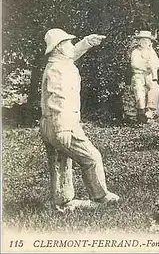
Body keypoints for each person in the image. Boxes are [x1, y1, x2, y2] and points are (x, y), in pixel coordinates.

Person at [40, 28, 120, 212]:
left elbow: (71, 54)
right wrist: (64, 128)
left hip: (49, 123)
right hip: (62, 122)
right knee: (91, 157)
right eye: (67, 42)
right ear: (59, 47)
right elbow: (58, 98)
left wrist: (86, 43)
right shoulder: (59, 69)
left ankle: (63, 202)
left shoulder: (57, 62)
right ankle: (101, 196)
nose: (70, 45)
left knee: (60, 161)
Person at [130, 31, 159, 123]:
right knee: (139, 89)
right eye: (142, 40)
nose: (145, 42)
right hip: (138, 74)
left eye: (147, 41)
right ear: (139, 42)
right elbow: (134, 64)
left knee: (155, 87)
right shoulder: (135, 52)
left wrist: (152, 67)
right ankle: (141, 111)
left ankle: (150, 110)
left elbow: (157, 63)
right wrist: (145, 65)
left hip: (149, 75)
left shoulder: (151, 52)